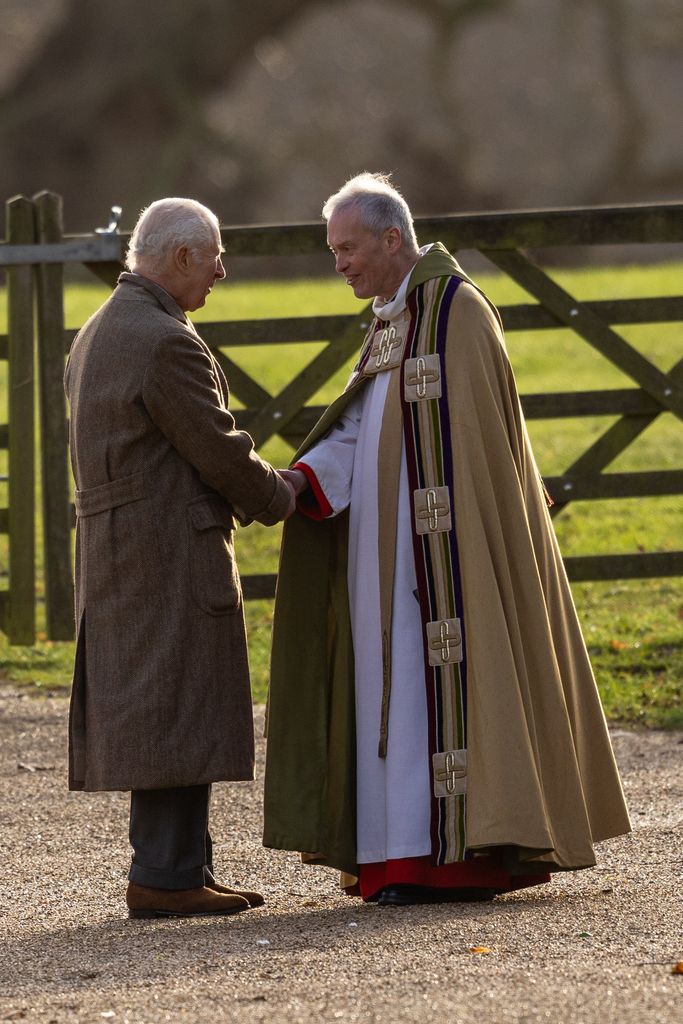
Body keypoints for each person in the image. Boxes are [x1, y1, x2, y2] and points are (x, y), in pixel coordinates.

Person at [263, 172, 631, 906]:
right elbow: (365, 421)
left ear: (391, 239)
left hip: (448, 559)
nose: (338, 262)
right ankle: (398, 859)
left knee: (438, 697)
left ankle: (458, 860)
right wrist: (303, 480)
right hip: (384, 557)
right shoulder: (391, 315)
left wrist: (455, 541)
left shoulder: (458, 311)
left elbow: (480, 446)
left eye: (347, 247)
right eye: (333, 250)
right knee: (389, 699)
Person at [65, 197, 295, 919]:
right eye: (215, 257)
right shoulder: (165, 341)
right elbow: (218, 448)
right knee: (175, 704)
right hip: (166, 550)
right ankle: (165, 878)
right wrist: (284, 496)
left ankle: (177, 869)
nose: (222, 271)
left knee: (164, 704)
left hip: (122, 552)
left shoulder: (103, 325)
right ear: (181, 257)